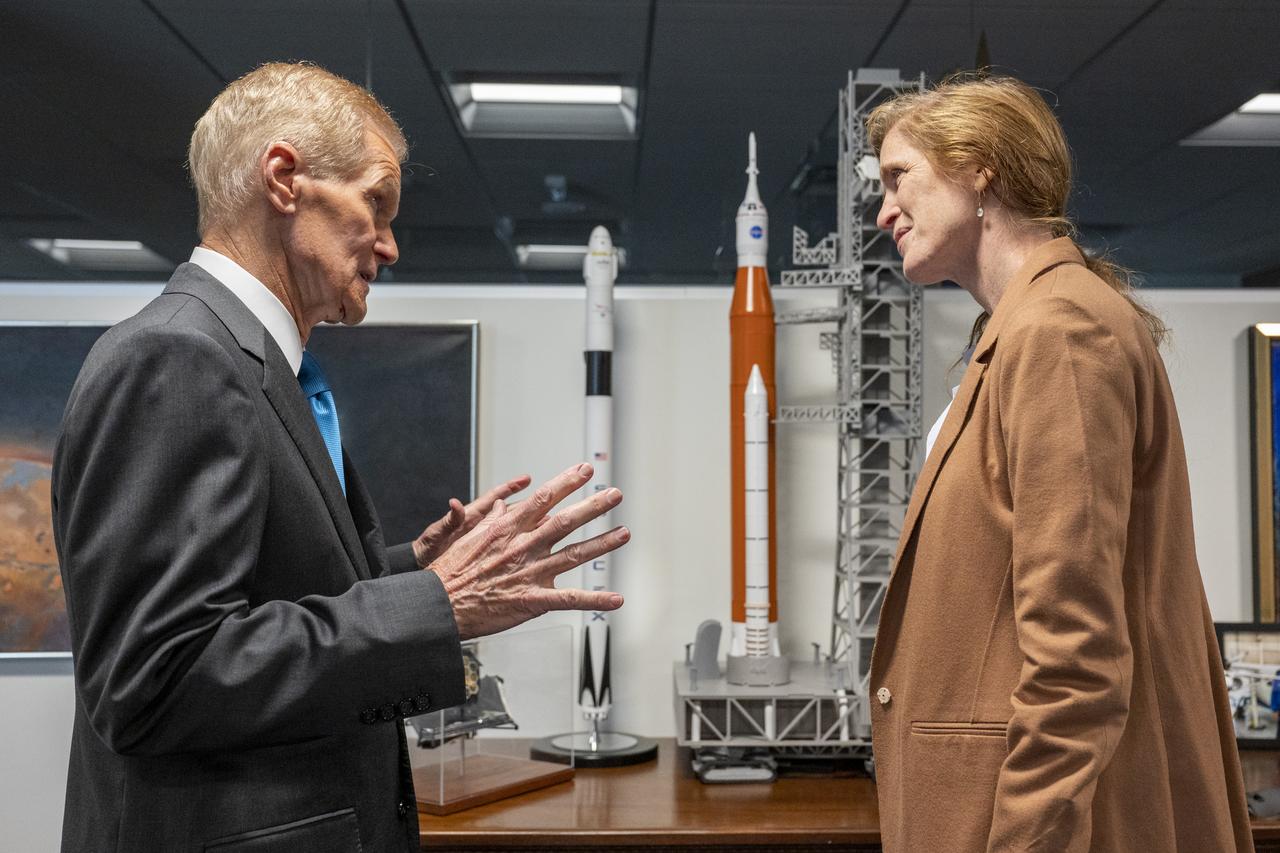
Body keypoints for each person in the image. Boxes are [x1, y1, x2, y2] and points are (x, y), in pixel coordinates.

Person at [51, 61, 629, 853]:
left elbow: (258, 598)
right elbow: (155, 677)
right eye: (376, 203)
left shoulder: (258, 367)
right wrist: (437, 606)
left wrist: (410, 569)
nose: (390, 245)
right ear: (284, 179)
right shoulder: (177, 359)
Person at [865, 74, 1252, 852]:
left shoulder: (1059, 328)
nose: (883, 211)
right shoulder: (1020, 329)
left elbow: (1076, 658)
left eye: (898, 176)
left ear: (978, 166)